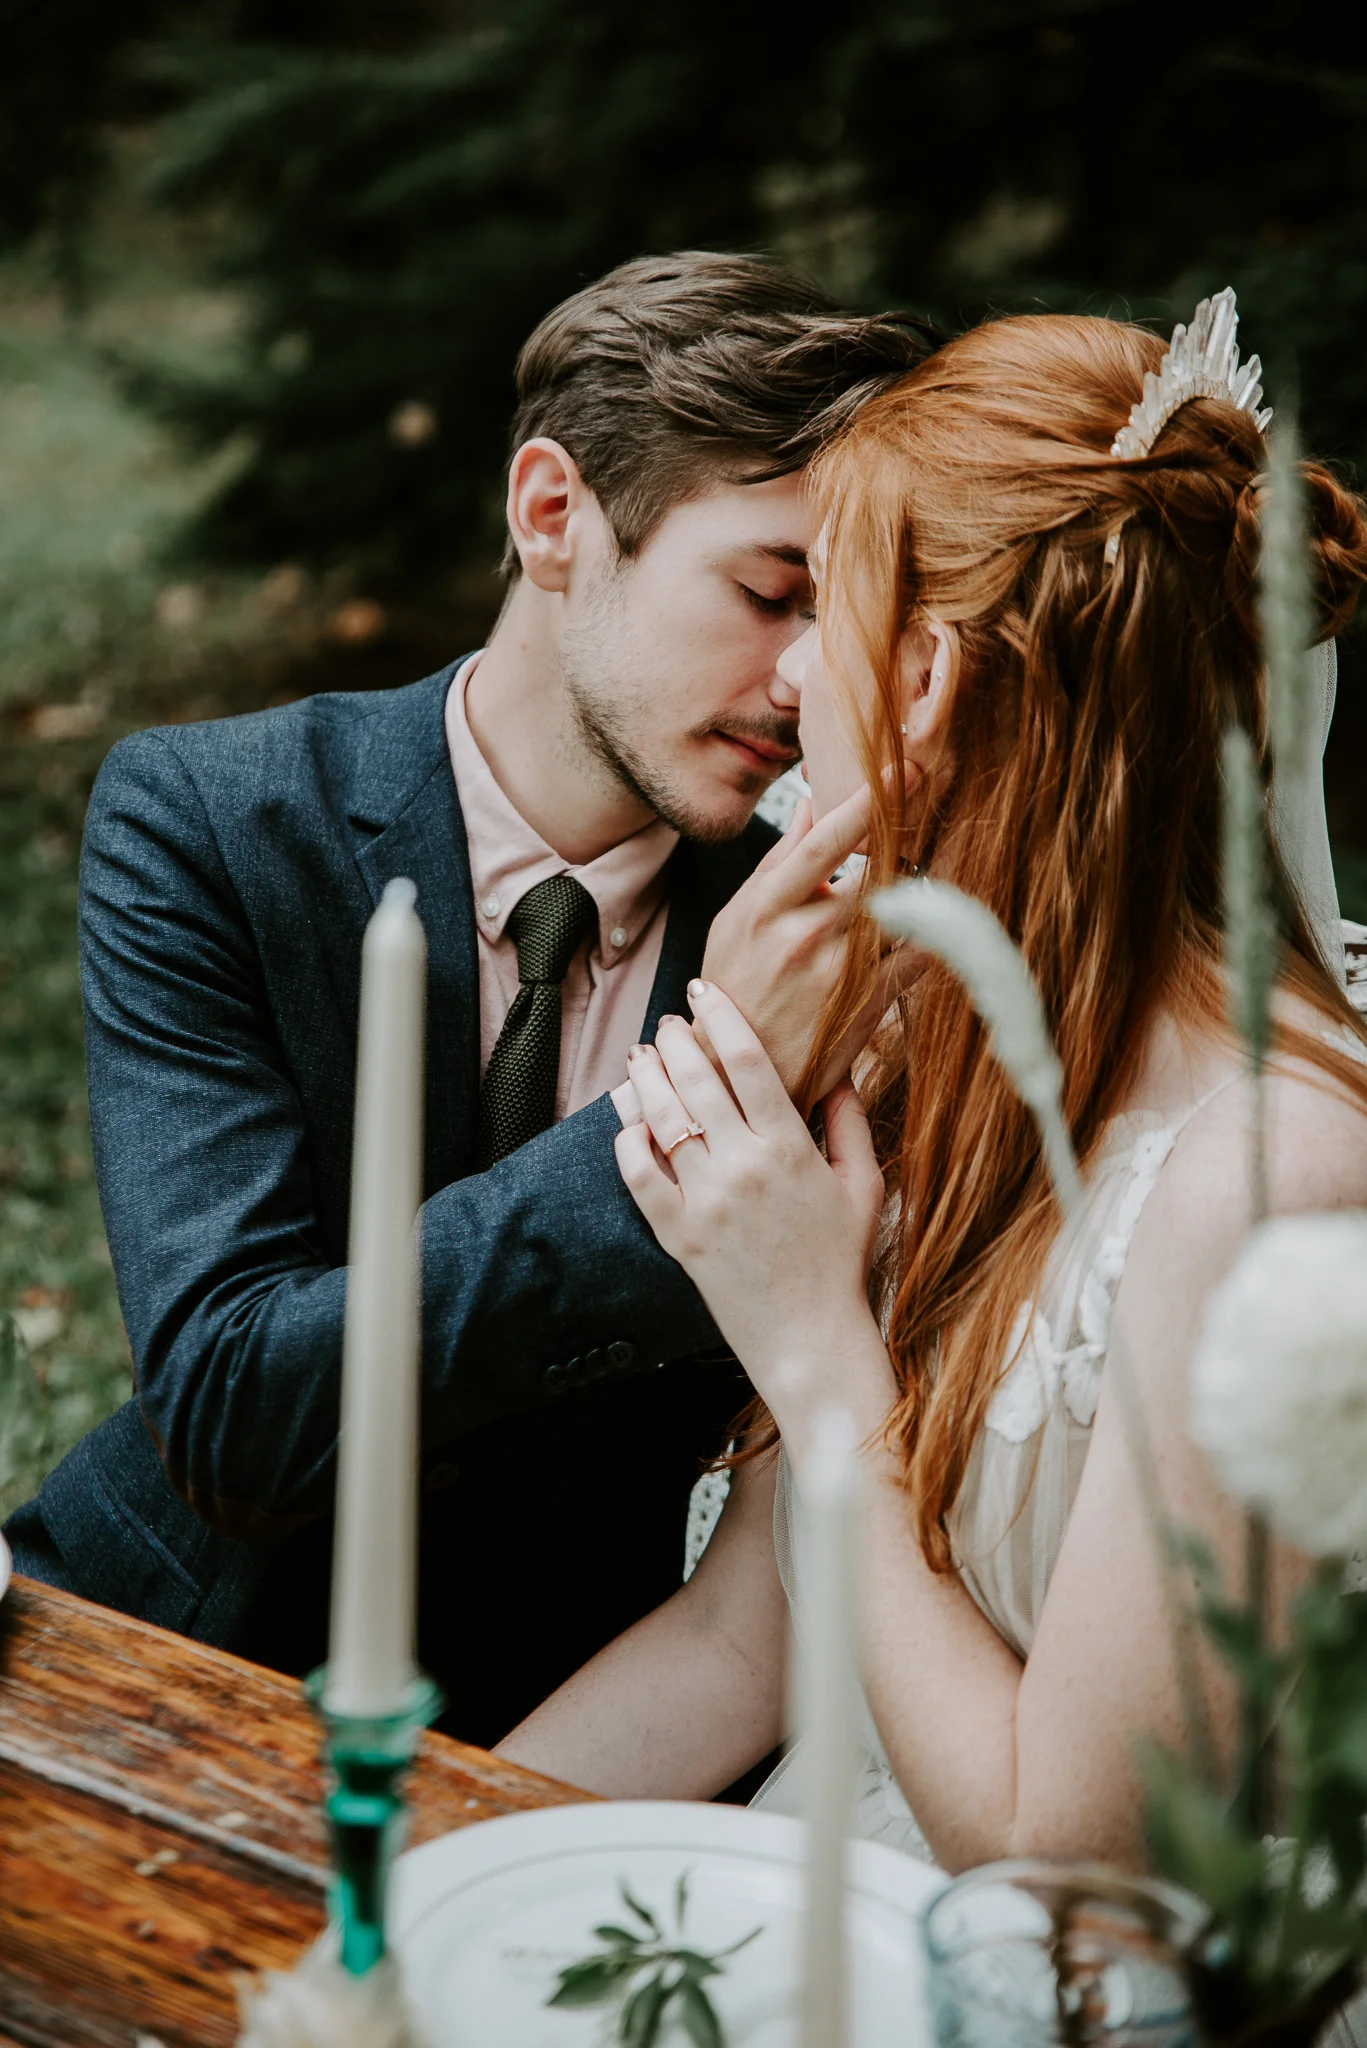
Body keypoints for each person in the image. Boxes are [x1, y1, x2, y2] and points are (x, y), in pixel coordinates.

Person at [3, 252, 932, 1745]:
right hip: (163, 1659)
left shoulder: (837, 933)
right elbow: (236, 1403)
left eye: (856, 624)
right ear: (553, 514)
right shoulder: (213, 823)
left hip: (575, 1729)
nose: (808, 683)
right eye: (771, 592)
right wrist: (696, 1090)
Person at [494, 303, 1367, 1871]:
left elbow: (1071, 1863)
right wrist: (387, 1860)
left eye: (816, 604)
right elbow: (742, 1646)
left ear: (918, 678)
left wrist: (811, 1344)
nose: (784, 675)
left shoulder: (1272, 1186)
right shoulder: (928, 1043)